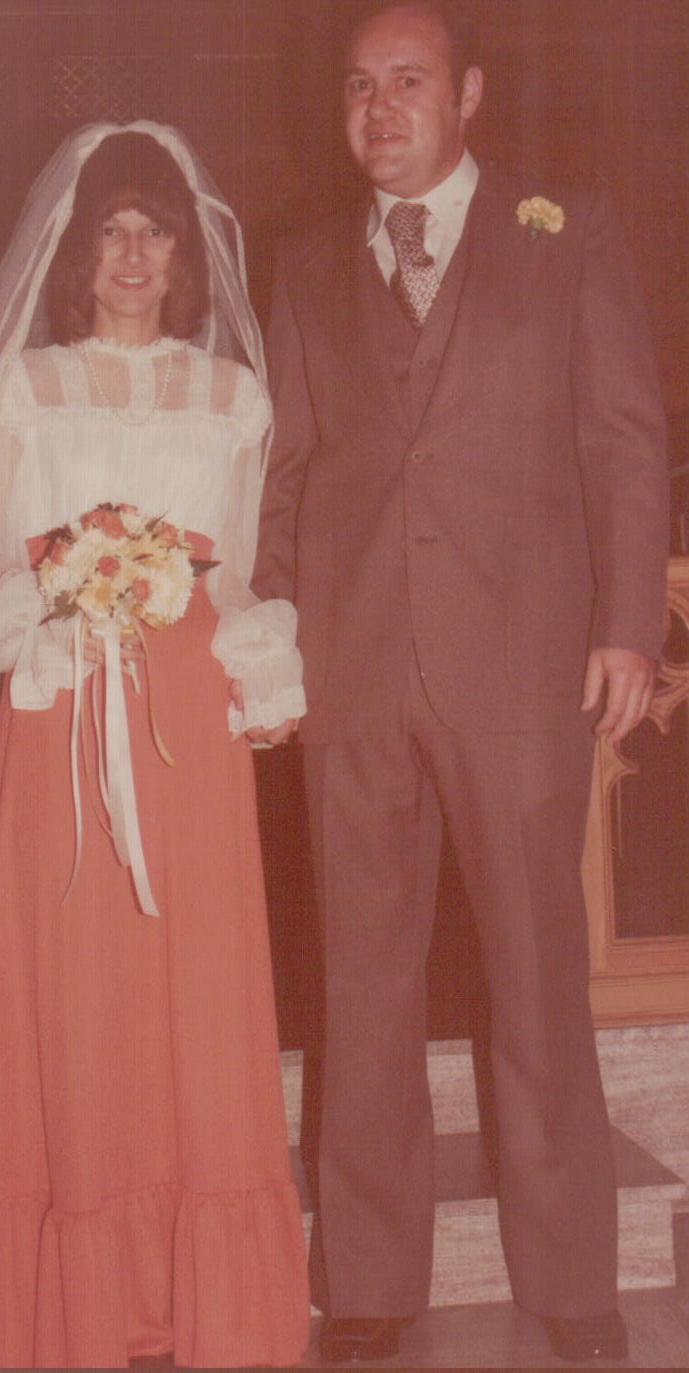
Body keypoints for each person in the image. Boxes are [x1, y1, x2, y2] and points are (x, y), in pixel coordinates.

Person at [254, 1, 669, 1364]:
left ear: (469, 93)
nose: (378, 109)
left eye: (408, 81)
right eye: (357, 87)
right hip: (352, 673)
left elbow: (622, 438)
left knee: (536, 979)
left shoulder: (566, 232)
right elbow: (284, 475)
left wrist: (628, 623)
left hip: (523, 667)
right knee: (361, 982)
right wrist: (269, 645)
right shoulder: (305, 265)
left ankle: (570, 1277)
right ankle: (371, 1277)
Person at [0, 122, 310, 1369]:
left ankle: (201, 1302)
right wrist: (49, 616)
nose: (134, 255)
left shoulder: (231, 397)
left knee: (196, 990)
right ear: (75, 253)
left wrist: (265, 664)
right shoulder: (25, 388)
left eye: (157, 232)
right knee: (76, 986)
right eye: (113, 232)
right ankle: (75, 1300)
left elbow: (235, 567)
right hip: (63, 697)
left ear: (187, 253)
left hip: (187, 721)